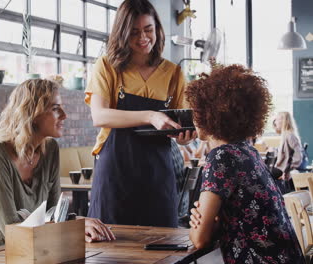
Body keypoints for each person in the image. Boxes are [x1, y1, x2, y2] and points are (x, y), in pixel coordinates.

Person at [0, 79, 115, 252]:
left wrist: (79, 223)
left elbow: (54, 213)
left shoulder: (50, 149)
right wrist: (75, 225)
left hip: (38, 250)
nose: (64, 115)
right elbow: (11, 230)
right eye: (55, 108)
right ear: (32, 113)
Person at [85, 0, 196, 227]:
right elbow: (100, 116)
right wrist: (150, 116)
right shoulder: (107, 66)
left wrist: (186, 136)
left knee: (162, 242)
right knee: (110, 247)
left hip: (158, 171)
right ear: (122, 34)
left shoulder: (172, 73)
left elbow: (184, 122)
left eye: (148, 30)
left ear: (157, 29)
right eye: (134, 32)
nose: (143, 38)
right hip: (115, 169)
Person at [186, 65, 304, 263]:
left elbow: (199, 239)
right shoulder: (248, 152)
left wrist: (199, 224)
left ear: (209, 114)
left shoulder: (221, 157)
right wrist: (213, 223)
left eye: (195, 111)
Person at [273, 111, 304, 192]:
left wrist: (288, 171)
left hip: (283, 171)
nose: (275, 122)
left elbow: (298, 157)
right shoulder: (284, 134)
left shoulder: (289, 135)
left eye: (277, 119)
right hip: (281, 169)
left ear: (283, 121)